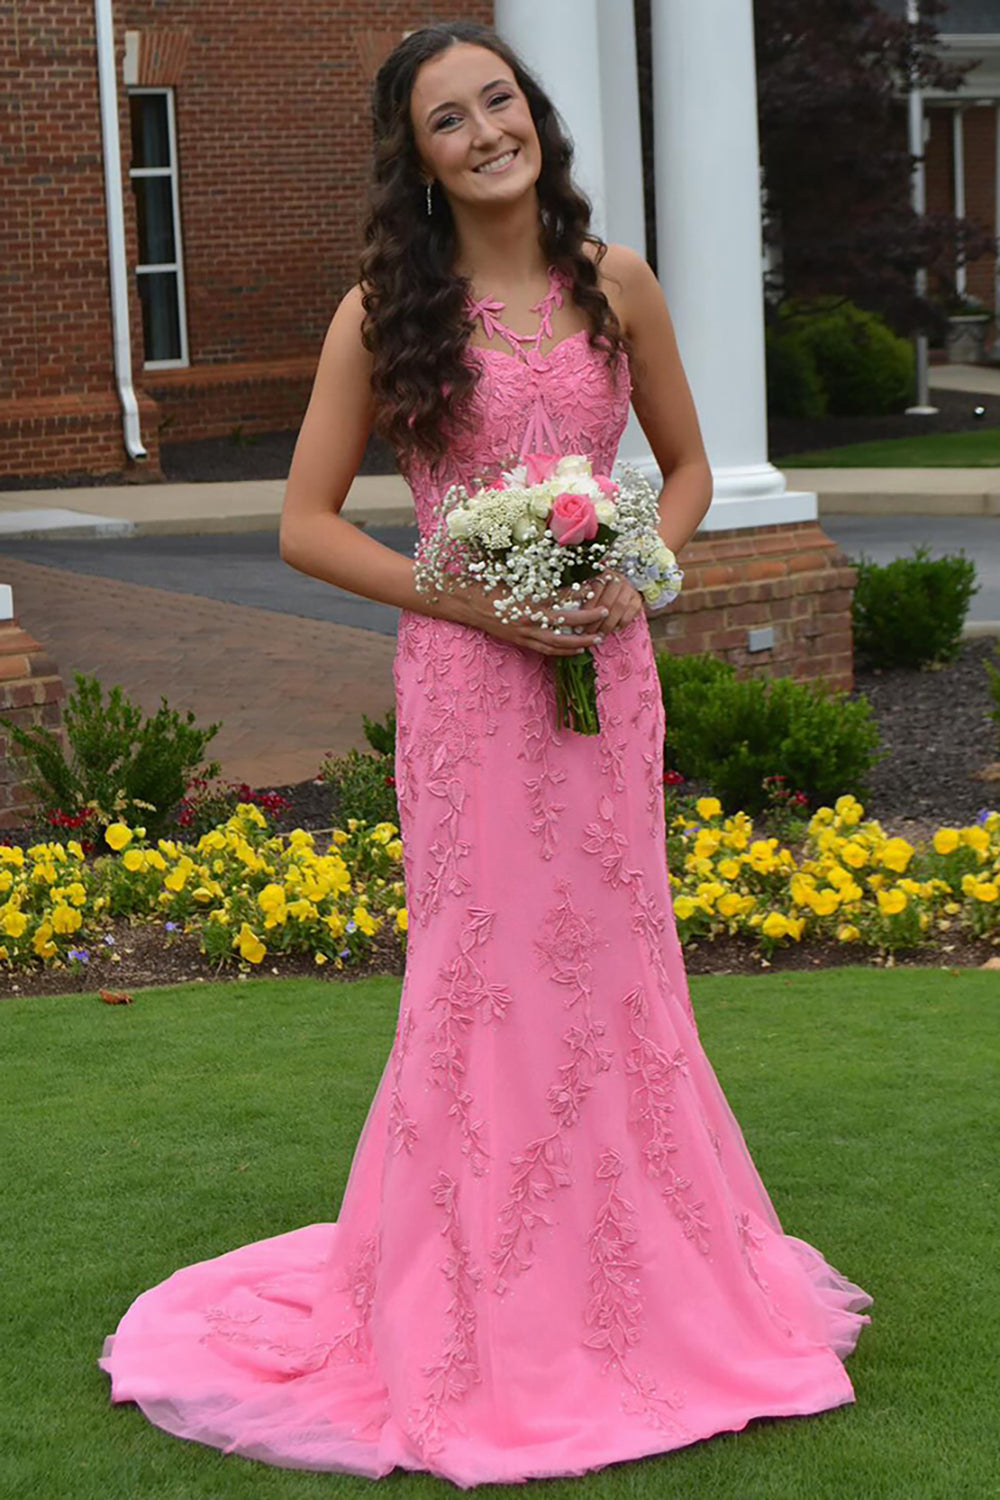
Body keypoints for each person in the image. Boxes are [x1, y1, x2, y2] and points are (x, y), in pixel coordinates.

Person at [97, 20, 873, 1487]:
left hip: (606, 677)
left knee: (618, 970)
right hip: (468, 695)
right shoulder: (383, 316)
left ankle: (643, 1290)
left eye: (497, 101)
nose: (485, 133)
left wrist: (637, 569)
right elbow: (304, 524)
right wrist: (467, 598)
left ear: (536, 115)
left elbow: (687, 468)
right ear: (420, 161)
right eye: (447, 121)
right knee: (488, 980)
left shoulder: (616, 283)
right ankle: (481, 1310)